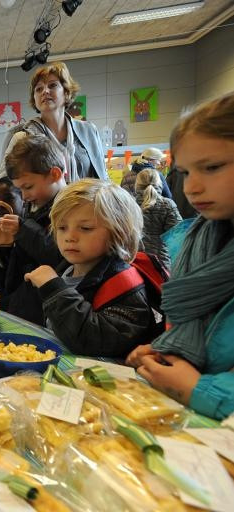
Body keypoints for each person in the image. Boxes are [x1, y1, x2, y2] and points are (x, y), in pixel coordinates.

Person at [126, 92, 234, 420]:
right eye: (185, 172)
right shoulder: (195, 242)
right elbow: (202, 334)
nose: (191, 188)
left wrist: (198, 388)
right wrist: (167, 351)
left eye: (212, 167)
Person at [24, 179, 154, 357]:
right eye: (62, 227)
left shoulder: (125, 283)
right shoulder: (67, 270)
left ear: (119, 231)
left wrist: (53, 289)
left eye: (85, 228)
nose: (70, 237)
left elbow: (94, 341)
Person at [0, 61, 106, 182]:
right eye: (38, 89)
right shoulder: (22, 137)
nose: (45, 91)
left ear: (66, 92)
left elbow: (102, 177)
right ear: (34, 98)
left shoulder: (88, 131)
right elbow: (4, 186)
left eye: (52, 85)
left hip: (86, 199)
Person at [0, 135, 66, 324]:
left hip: (49, 306)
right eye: (19, 190)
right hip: (26, 301)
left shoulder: (71, 210)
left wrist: (23, 230)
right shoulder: (36, 205)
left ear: (55, 174)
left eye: (28, 187)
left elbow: (63, 256)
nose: (24, 196)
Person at [134, 168, 182, 269]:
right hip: (160, 260)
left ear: (137, 185)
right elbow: (178, 234)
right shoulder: (168, 204)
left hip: (134, 259)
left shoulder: (128, 204)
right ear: (159, 183)